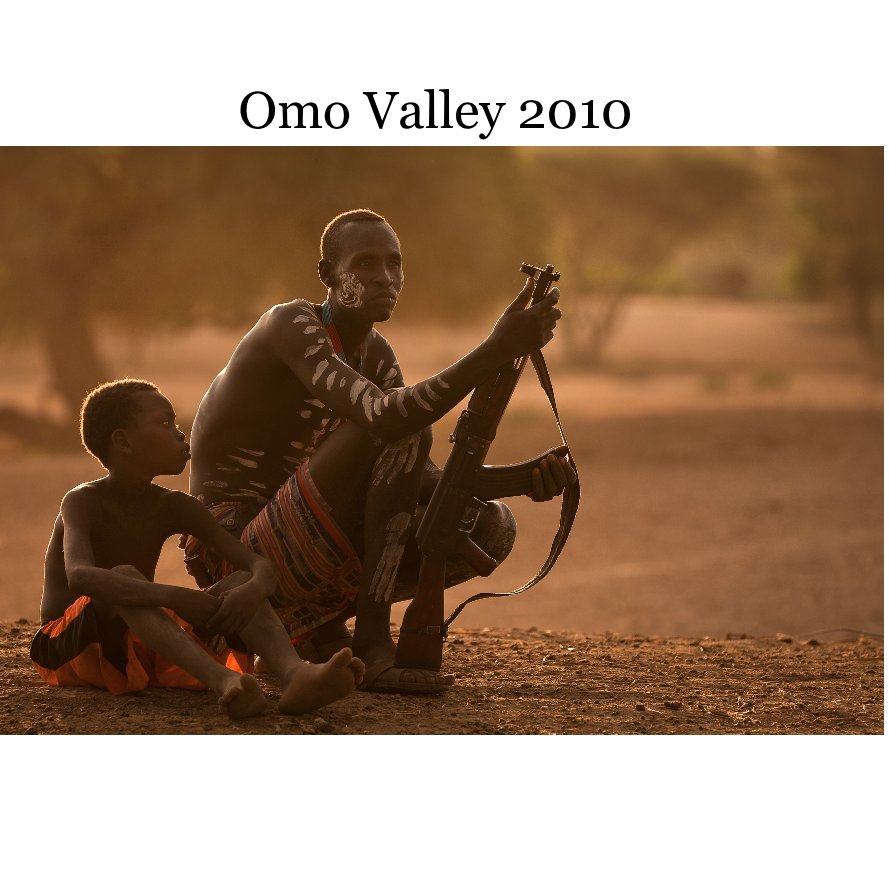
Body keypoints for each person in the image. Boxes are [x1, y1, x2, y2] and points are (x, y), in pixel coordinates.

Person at [184, 209, 575, 694]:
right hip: (235, 552)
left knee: (489, 526)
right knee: (403, 430)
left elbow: (417, 477)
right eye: (365, 264)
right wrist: (494, 350)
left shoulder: (377, 356)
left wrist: (523, 480)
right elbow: (390, 421)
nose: (384, 278)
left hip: (298, 537)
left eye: (394, 263)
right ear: (328, 274)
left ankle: (312, 632)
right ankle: (371, 642)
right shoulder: (291, 325)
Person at [31, 379, 364, 720]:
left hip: (134, 638)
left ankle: (296, 674)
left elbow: (257, 564)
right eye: (164, 423)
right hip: (70, 647)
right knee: (125, 579)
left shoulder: (174, 505)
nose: (179, 433)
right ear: (123, 441)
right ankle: (224, 682)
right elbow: (80, 575)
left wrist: (253, 588)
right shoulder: (82, 501)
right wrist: (176, 598)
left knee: (235, 582)